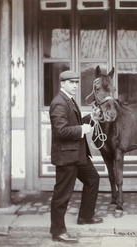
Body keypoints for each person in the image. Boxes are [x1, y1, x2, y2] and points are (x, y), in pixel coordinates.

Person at [49, 70, 103, 243]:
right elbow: (61, 131)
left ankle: (85, 216)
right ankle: (58, 231)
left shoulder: (69, 100)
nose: (74, 86)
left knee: (93, 179)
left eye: (76, 82)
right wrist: (82, 130)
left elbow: (74, 122)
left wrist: (90, 118)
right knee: (62, 195)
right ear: (62, 83)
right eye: (71, 82)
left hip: (78, 154)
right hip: (66, 157)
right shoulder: (59, 103)